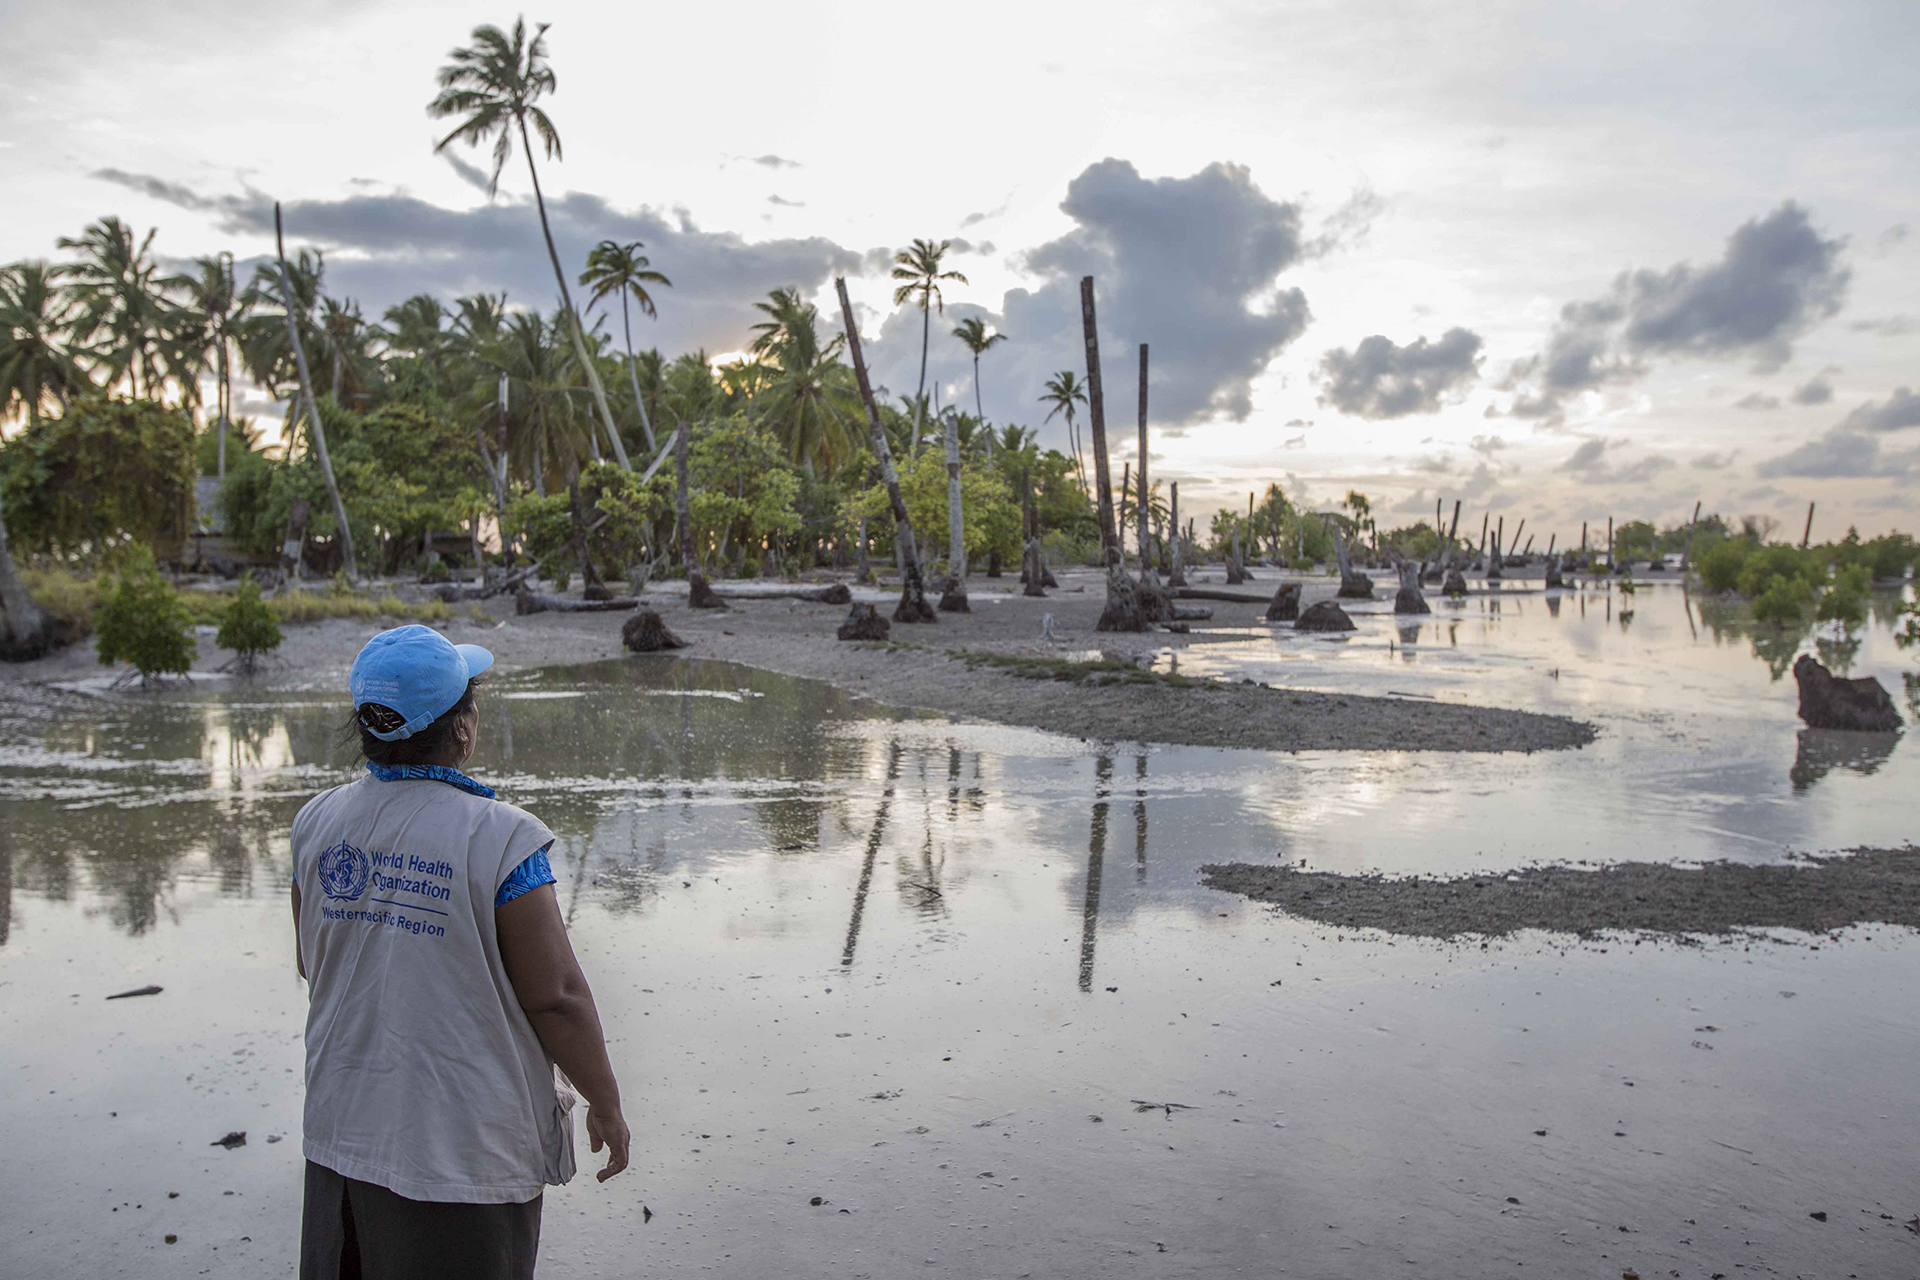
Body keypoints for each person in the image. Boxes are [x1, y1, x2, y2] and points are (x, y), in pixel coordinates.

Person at [291, 624, 629, 1280]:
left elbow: (313, 961)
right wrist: (606, 1103)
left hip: (340, 1143)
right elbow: (556, 997)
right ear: (463, 730)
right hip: (462, 1159)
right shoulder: (501, 841)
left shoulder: (316, 822)